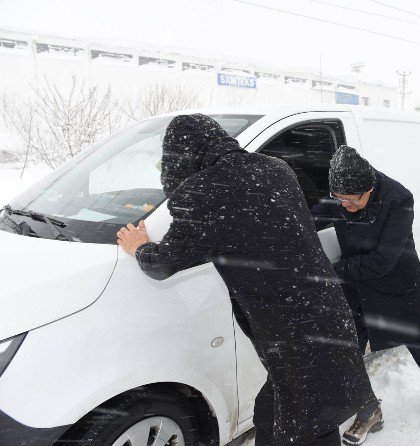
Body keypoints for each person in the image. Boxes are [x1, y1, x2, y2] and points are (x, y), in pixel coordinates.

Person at [116, 114, 377, 446]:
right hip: (325, 314)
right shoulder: (275, 168)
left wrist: (140, 247)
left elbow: (163, 264)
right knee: (272, 413)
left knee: (311, 426)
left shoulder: (201, 194)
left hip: (294, 334)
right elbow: (248, 227)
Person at [312, 145, 420, 446]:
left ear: (370, 188)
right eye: (340, 200)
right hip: (356, 285)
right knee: (349, 349)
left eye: (353, 202)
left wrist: (335, 270)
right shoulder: (342, 194)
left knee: (419, 338)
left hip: (396, 282)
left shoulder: (397, 198)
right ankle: (368, 408)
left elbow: (384, 259)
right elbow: (311, 218)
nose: (345, 206)